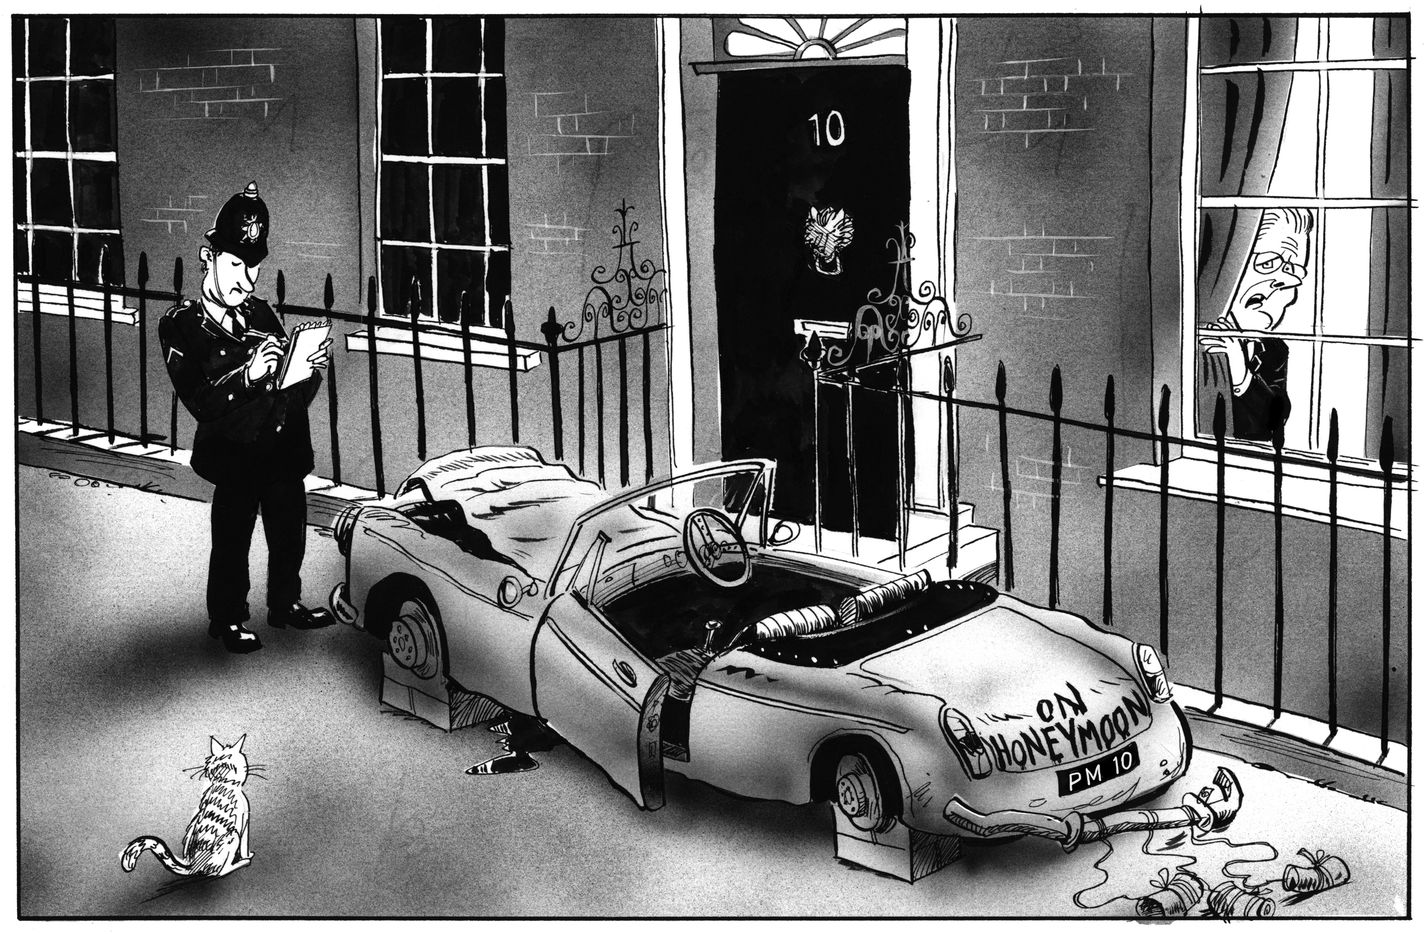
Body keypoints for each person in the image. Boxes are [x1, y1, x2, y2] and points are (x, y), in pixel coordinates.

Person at [159, 181, 334, 653]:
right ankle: (228, 618)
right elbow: (200, 400)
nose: (248, 280)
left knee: (287, 533)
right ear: (208, 257)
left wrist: (307, 369)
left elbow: (291, 393)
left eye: (254, 267)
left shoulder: (260, 312)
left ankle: (285, 604)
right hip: (234, 457)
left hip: (281, 450)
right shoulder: (180, 325)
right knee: (232, 541)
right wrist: (251, 375)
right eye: (237, 265)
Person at [1200, 207, 1313, 442]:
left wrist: (1241, 375)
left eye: (1294, 269)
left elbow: (1273, 421)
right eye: (1270, 261)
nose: (1288, 282)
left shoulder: (1274, 349)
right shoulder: (1197, 341)